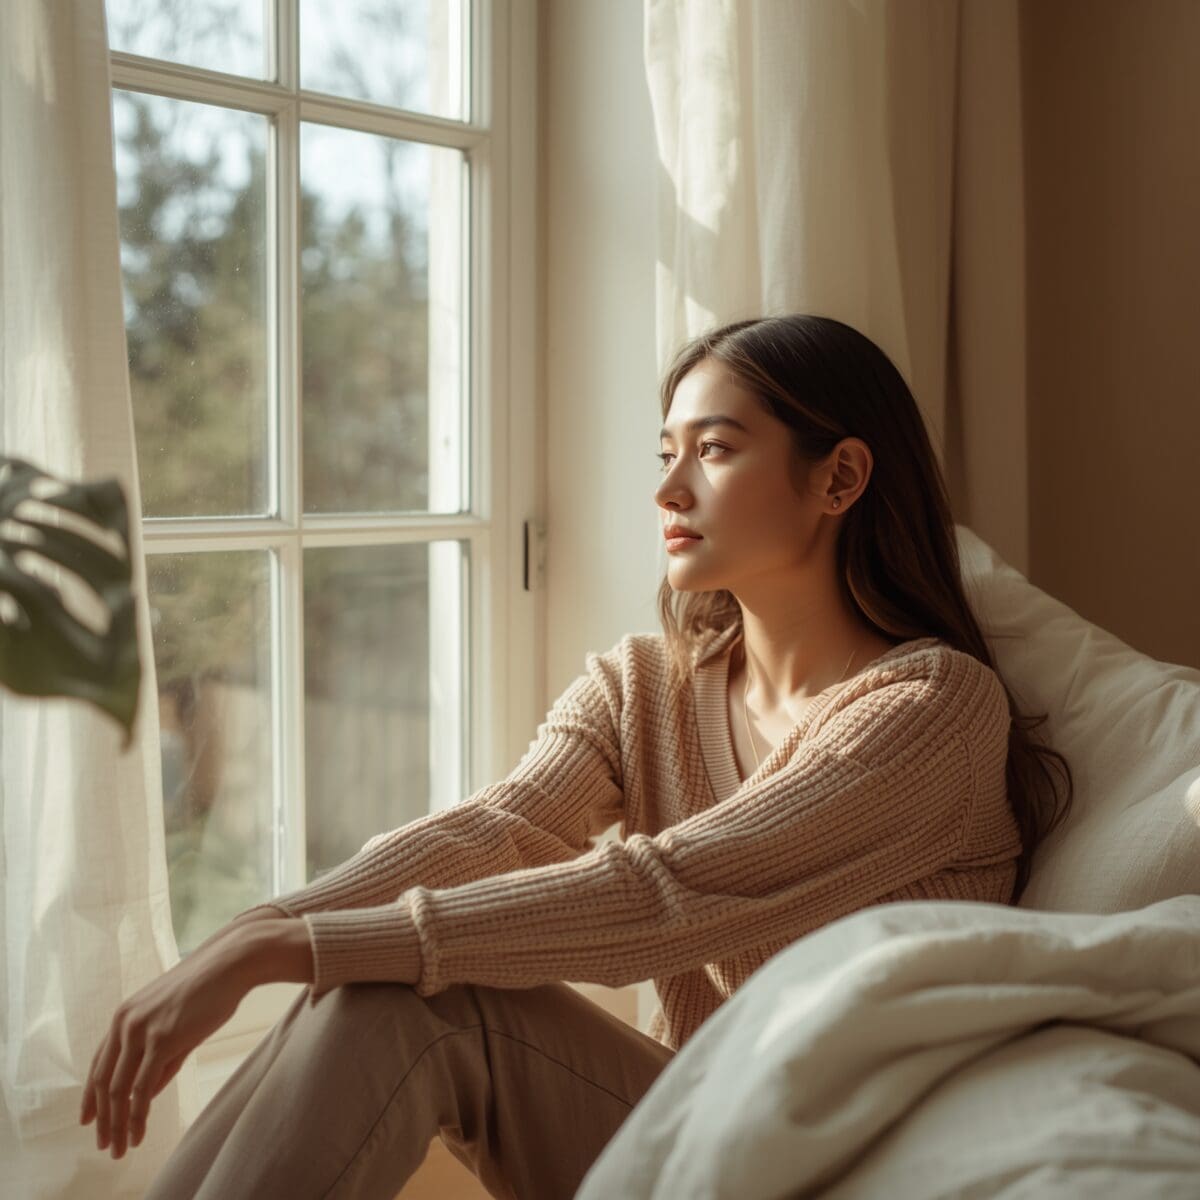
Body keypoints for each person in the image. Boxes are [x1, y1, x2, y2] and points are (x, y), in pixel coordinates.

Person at [80, 313, 1072, 1199]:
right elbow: (495, 832)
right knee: (376, 985)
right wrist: (252, 934)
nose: (669, 488)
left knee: (421, 994)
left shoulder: (932, 709)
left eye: (715, 451)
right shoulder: (645, 683)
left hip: (844, 1162)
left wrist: (277, 947)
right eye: (667, 451)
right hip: (688, 1127)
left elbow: (664, 894)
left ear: (839, 477)